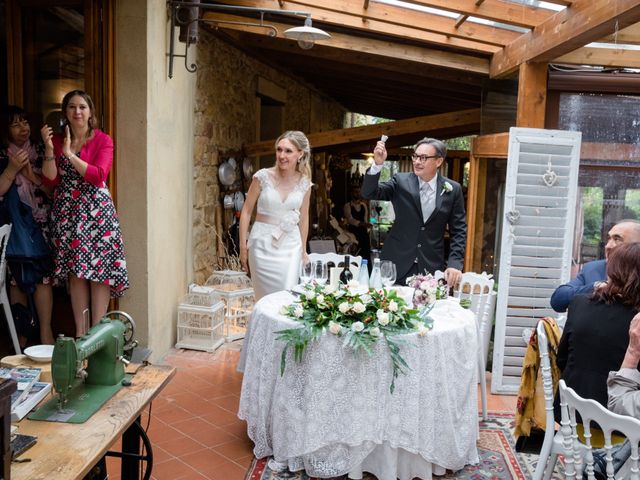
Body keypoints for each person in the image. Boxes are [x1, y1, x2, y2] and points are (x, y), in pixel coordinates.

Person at [40, 90, 129, 336]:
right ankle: (81, 335)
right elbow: (50, 179)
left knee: (99, 272)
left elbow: (98, 175)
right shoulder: (58, 141)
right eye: (71, 107)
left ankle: (98, 335)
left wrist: (69, 155)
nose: (77, 112)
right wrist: (50, 149)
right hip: (68, 212)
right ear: (65, 112)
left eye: (82, 107)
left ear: (90, 113)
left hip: (96, 213)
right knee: (76, 273)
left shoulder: (103, 140)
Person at [361, 137, 466, 288]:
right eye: (415, 156)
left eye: (423, 158)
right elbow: (369, 192)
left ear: (438, 161)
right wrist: (377, 165)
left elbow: (459, 230)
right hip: (396, 264)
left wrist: (454, 263)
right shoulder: (400, 181)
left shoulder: (453, 190)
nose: (417, 161)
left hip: (430, 266)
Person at [555, 242, 640, 421]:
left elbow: (561, 359)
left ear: (611, 271)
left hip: (571, 415)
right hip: (625, 426)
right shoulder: (636, 321)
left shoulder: (579, 303)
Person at [0, 106, 54, 344]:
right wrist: (12, 169)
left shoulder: (41, 151)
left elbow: (52, 189)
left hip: (40, 223)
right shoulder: (2, 154)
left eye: (25, 122)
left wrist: (31, 176)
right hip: (14, 227)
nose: (23, 128)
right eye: (15, 124)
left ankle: (45, 334)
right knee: (16, 279)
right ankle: (19, 339)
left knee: (42, 278)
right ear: (5, 131)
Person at [239, 131, 312, 300]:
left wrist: (302, 250)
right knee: (263, 301)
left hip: (291, 248)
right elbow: (247, 211)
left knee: (286, 300)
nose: (282, 155)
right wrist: (243, 247)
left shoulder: (305, 183)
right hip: (261, 247)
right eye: (279, 150)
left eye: (288, 151)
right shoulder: (262, 177)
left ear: (300, 154)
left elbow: (304, 218)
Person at [550, 219, 640, 313]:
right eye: (609, 238)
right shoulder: (593, 269)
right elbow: (558, 299)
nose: (608, 246)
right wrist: (596, 287)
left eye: (617, 239)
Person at [343, 185, 370, 262]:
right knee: (355, 254)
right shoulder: (347, 206)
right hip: (353, 234)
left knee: (365, 254)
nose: (358, 194)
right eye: (356, 192)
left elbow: (365, 219)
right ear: (351, 193)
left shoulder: (364, 205)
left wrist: (367, 225)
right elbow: (350, 220)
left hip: (363, 234)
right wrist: (363, 224)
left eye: (359, 192)